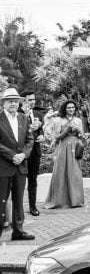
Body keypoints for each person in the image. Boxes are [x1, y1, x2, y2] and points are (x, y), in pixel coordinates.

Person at [0, 87, 35, 240]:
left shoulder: (23, 118)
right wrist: (12, 155)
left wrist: (23, 155)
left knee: (19, 200)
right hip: (3, 166)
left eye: (15, 101)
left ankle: (18, 231)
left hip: (20, 166)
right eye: (10, 101)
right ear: (3, 103)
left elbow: (29, 140)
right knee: (1, 201)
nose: (13, 103)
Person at [44, 99, 84, 210]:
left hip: (75, 147)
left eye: (73, 107)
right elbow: (57, 137)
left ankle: (75, 200)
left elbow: (82, 136)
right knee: (61, 172)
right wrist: (67, 130)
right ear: (64, 109)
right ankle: (59, 201)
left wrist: (79, 131)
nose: (71, 109)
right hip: (64, 147)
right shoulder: (58, 120)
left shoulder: (78, 120)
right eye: (69, 108)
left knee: (75, 173)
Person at [21, 89, 44, 216]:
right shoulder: (18, 114)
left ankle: (33, 207)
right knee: (19, 181)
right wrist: (29, 127)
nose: (32, 102)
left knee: (33, 180)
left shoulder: (38, 114)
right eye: (30, 100)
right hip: (22, 152)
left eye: (34, 99)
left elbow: (41, 130)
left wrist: (41, 135)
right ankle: (17, 209)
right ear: (23, 101)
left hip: (35, 151)